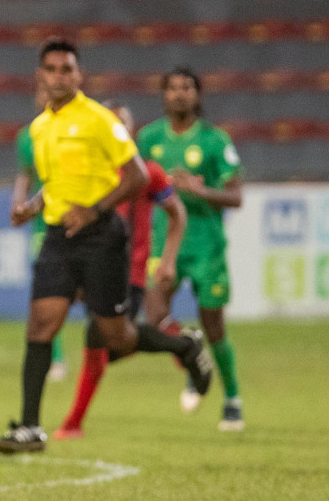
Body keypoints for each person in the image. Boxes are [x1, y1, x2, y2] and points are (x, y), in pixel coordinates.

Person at [0, 39, 212, 455]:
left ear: (79, 75)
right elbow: (55, 183)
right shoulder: (40, 128)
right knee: (41, 326)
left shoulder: (98, 119)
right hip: (59, 237)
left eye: (67, 69)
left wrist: (94, 211)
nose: (59, 76)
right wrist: (32, 207)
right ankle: (30, 427)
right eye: (52, 69)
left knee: (117, 337)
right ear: (41, 76)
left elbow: (137, 177)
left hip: (102, 238)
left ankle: (185, 345)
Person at [52, 102, 188, 440]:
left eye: (124, 124)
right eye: (112, 124)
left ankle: (181, 344)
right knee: (104, 344)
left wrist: (168, 259)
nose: (118, 130)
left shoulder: (147, 174)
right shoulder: (91, 175)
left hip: (131, 273)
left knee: (102, 342)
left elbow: (177, 214)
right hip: (97, 268)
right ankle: (176, 339)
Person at [140, 67, 246, 432]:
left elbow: (236, 196)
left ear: (198, 95)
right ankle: (191, 355)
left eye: (187, 87)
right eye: (172, 88)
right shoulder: (149, 138)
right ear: (163, 95)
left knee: (214, 325)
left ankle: (232, 398)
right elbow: (134, 183)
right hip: (164, 242)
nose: (179, 94)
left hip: (206, 246)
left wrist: (202, 191)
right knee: (153, 316)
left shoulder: (216, 141)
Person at [10, 84, 66, 383]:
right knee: (45, 290)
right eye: (40, 92)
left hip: (74, 218)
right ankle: (55, 357)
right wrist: (19, 204)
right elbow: (25, 173)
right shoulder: (28, 135)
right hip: (42, 224)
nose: (42, 96)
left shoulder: (73, 131)